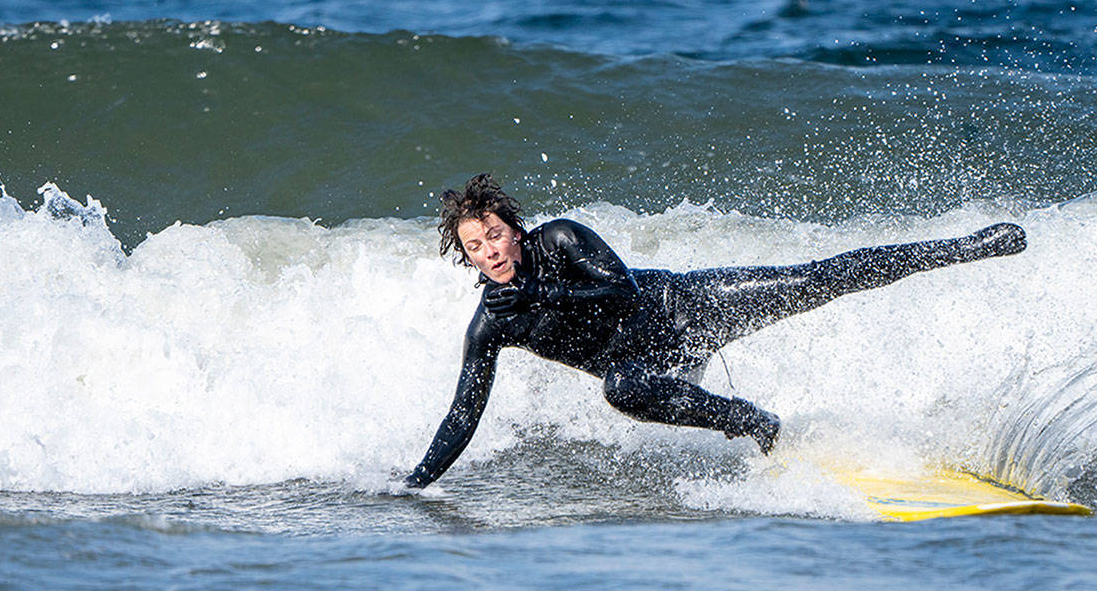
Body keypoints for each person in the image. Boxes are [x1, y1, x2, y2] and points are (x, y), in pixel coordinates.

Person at [403, 174, 1026, 489]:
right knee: (620, 388)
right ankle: (758, 424)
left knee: (817, 280)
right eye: (474, 246)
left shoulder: (560, 240)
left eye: (495, 235)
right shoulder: (493, 324)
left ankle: (965, 246)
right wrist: (416, 485)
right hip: (649, 369)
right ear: (468, 257)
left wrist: (545, 290)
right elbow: (463, 413)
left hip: (688, 307)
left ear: (515, 227)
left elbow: (622, 292)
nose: (489, 250)